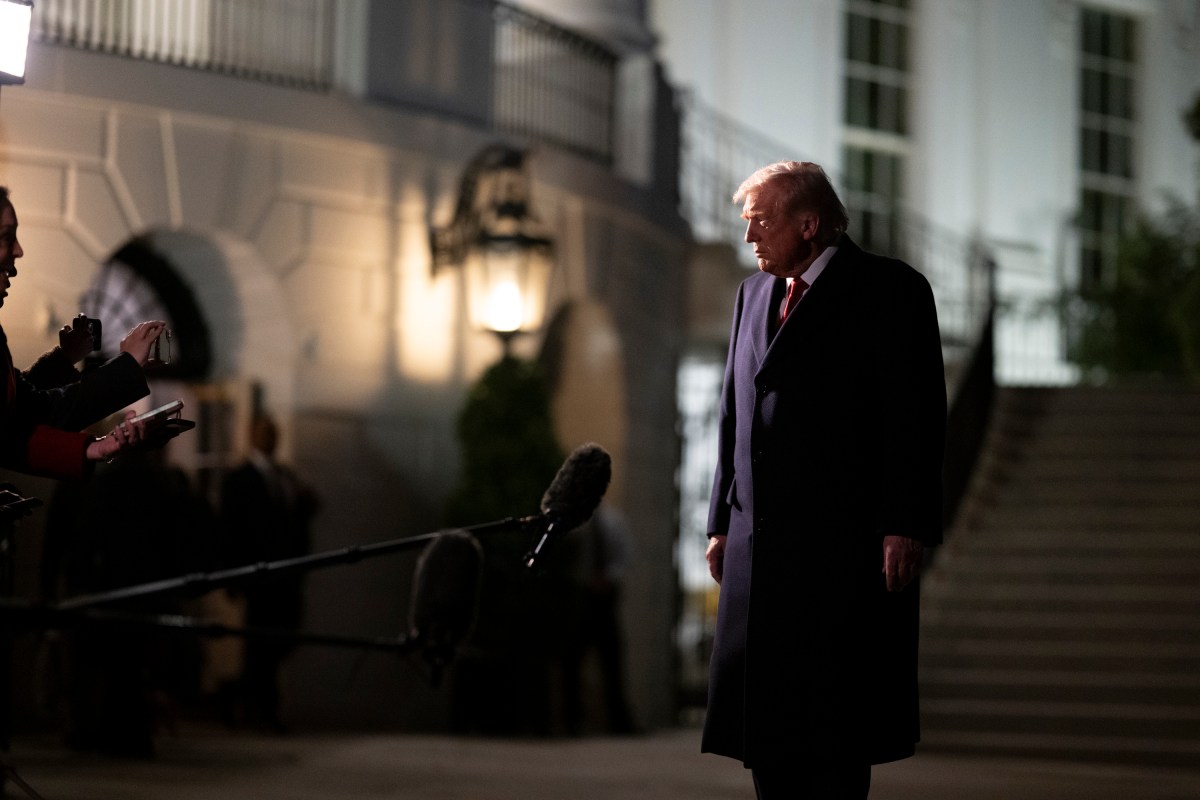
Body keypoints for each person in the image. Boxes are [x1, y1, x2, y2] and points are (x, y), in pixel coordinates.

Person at [701, 162, 946, 799]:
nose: (750, 235)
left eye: (761, 220)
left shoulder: (892, 290)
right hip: (758, 546)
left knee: (837, 735)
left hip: (844, 549)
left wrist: (904, 522)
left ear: (808, 225)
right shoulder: (751, 295)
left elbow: (915, 417)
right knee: (767, 732)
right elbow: (733, 415)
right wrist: (722, 522)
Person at [219, 413, 318, 732]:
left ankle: (255, 704)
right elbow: (231, 529)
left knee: (277, 642)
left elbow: (294, 520)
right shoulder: (240, 479)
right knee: (260, 645)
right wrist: (233, 575)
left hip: (285, 576)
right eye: (264, 433)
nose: (269, 439)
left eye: (273, 433)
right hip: (258, 575)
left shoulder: (285, 476)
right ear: (251, 436)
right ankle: (258, 708)